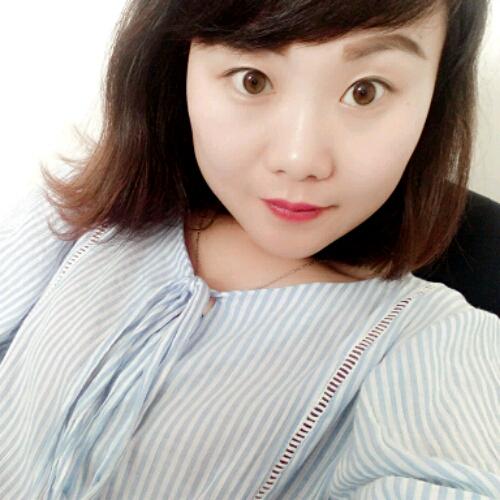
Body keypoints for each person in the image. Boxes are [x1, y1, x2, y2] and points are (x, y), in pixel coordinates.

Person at [0, 0, 498, 498]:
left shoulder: (438, 343)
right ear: (177, 65)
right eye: (252, 80)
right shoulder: (75, 220)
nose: (299, 159)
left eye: (365, 92)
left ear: (435, 96)